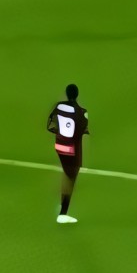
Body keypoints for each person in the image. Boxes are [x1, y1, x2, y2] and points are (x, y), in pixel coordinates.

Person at [46, 84, 90, 224]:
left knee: (67, 174)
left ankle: (62, 205)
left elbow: (50, 124)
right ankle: (63, 214)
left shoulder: (59, 106)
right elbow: (83, 129)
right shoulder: (82, 112)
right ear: (77, 95)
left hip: (59, 147)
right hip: (72, 151)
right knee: (71, 179)